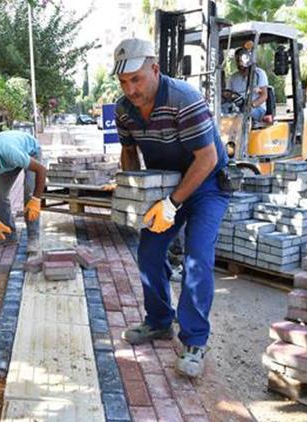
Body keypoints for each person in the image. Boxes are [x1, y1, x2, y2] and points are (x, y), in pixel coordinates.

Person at [111, 38, 232, 378]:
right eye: (123, 82)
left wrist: (172, 203)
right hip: (165, 184)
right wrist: (133, 191)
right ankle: (160, 321)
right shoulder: (123, 109)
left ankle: (194, 340)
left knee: (197, 257)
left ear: (154, 69)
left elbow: (206, 158)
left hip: (206, 184)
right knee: (149, 251)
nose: (130, 89)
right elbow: (130, 151)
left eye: (136, 79)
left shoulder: (184, 100)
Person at [224, 46, 269, 122]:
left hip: (256, 108)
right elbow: (230, 95)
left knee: (245, 112)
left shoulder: (259, 74)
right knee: (222, 110)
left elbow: (264, 95)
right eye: (237, 60)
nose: (239, 63)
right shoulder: (233, 77)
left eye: (240, 60)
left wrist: (251, 105)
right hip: (238, 108)